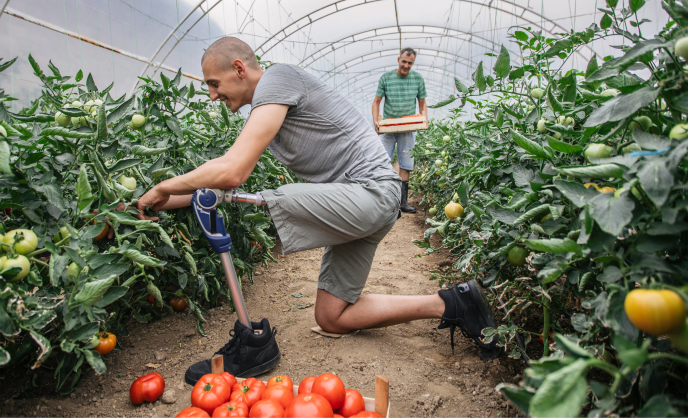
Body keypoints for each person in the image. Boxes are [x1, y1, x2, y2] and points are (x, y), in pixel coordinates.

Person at [136, 37, 499, 385]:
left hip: (370, 192)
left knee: (266, 197)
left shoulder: (278, 79)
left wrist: (165, 185)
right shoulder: (266, 109)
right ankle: (454, 302)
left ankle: (251, 342)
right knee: (332, 317)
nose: (212, 94)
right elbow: (222, 181)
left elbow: (233, 172)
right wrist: (168, 200)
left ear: (239, 68)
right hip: (358, 201)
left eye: (214, 84)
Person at [372, 48, 428, 214]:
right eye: (404, 61)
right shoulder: (386, 78)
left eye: (410, 63)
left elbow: (422, 102)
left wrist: (425, 118)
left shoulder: (417, 79)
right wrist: (376, 121)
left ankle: (403, 202)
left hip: (407, 128)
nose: (406, 65)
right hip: (388, 128)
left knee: (406, 164)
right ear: (398, 60)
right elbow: (376, 102)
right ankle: (383, 201)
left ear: (413, 63)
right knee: (382, 162)